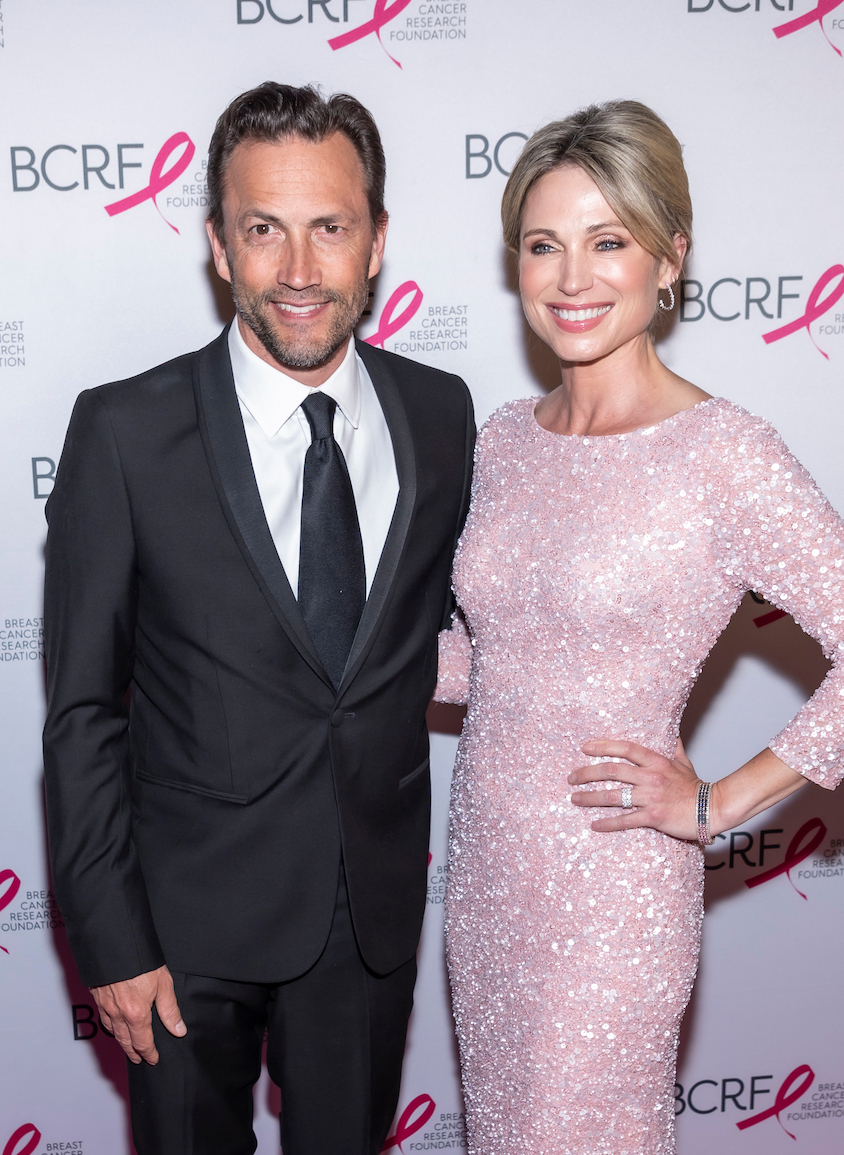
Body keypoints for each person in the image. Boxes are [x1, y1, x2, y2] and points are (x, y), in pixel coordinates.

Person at [434, 100, 844, 1155]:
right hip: (489, 874)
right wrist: (333, 654)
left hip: (612, 890)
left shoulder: (721, 454)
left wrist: (718, 801)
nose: (572, 278)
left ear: (669, 256)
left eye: (609, 242)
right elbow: (503, 663)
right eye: (544, 246)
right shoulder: (505, 441)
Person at [43, 81, 474, 1155]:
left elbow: (473, 634)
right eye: (263, 229)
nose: (297, 270)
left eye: (330, 227)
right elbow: (84, 709)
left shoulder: (441, 414)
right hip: (181, 930)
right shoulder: (123, 432)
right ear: (219, 248)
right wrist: (110, 937)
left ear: (377, 241)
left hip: (366, 918)